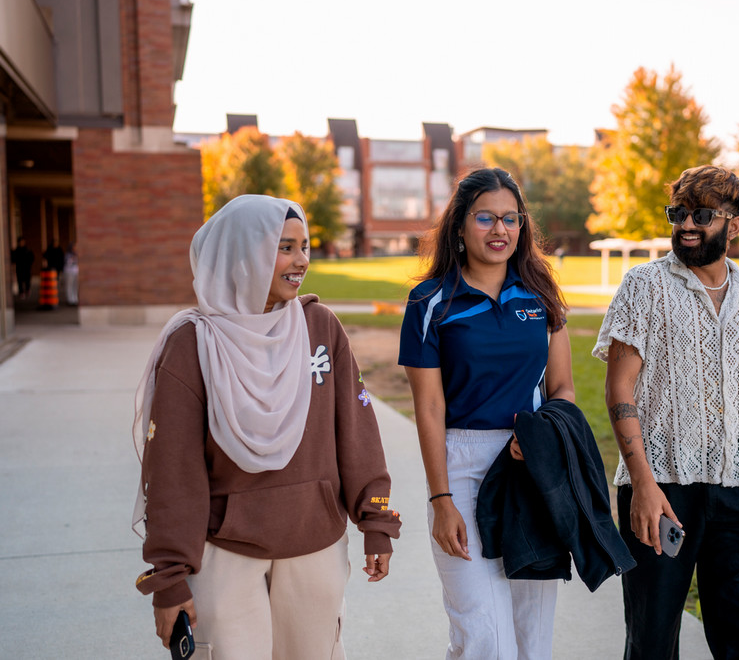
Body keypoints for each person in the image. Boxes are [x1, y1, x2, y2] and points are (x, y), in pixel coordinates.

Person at [132, 194, 400, 659]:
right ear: (243, 253)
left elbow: (356, 430)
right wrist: (170, 576)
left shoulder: (321, 328)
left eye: (305, 247)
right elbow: (174, 469)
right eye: (285, 248)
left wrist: (374, 520)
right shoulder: (193, 344)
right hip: (224, 552)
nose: (302, 261)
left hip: (314, 542)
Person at [594, 165, 739, 659]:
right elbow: (620, 387)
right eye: (678, 212)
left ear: (734, 225)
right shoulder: (643, 287)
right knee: (653, 637)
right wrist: (642, 483)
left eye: (701, 214)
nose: (686, 224)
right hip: (663, 488)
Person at [398, 167, 575, 659]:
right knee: (483, 636)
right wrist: (440, 500)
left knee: (531, 639)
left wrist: (542, 436)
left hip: (529, 466)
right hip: (462, 463)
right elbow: (429, 407)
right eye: (485, 218)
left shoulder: (541, 297)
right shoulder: (429, 302)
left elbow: (562, 388)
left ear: (522, 227)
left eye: (510, 219)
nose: (500, 230)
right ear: (458, 226)